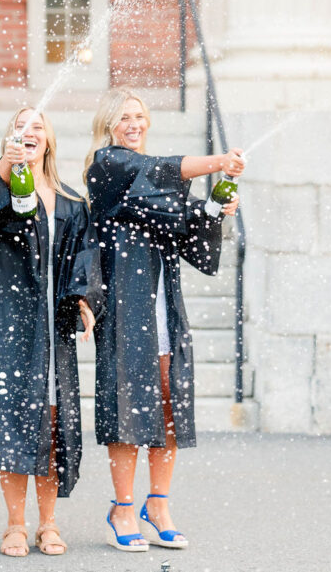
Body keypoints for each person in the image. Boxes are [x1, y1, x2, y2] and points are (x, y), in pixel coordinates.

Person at [84, 87, 244, 552]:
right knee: (129, 408)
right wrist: (220, 162)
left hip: (164, 307)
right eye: (124, 117)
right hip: (125, 308)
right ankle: (123, 506)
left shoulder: (153, 178)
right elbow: (159, 171)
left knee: (169, 407)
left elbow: (186, 229)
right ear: (109, 125)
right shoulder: (108, 166)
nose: (134, 124)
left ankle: (158, 504)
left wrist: (215, 207)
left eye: (139, 116)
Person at [0, 107, 101, 558]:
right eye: (20, 127)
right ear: (9, 140)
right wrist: (7, 163)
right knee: (15, 422)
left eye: (38, 126)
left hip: (53, 326)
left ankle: (49, 523)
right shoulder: (0, 186)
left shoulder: (74, 203)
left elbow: (85, 259)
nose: (30, 132)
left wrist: (83, 298)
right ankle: (15, 524)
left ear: (50, 140)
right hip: (9, 321)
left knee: (54, 424)